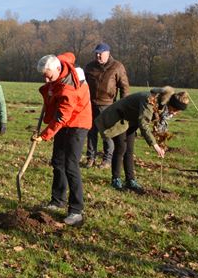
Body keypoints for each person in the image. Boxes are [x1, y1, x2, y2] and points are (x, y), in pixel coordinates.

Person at [33, 53, 92, 227]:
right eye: (43, 75)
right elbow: (70, 55)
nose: (45, 78)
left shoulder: (69, 90)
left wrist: (44, 135)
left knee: (70, 165)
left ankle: (76, 210)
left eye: (48, 75)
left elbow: (61, 118)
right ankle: (57, 200)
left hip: (78, 123)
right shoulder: (61, 63)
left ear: (58, 70)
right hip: (65, 122)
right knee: (57, 161)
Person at [95, 87, 189, 192]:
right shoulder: (149, 100)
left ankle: (130, 180)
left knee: (129, 150)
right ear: (171, 104)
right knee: (121, 148)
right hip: (118, 119)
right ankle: (116, 179)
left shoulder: (162, 104)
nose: (175, 113)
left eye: (178, 112)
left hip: (130, 121)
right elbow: (144, 124)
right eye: (175, 110)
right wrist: (155, 145)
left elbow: (157, 122)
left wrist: (161, 140)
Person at [84, 43, 129, 167]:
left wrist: (123, 105)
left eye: (101, 53)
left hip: (108, 105)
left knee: (107, 134)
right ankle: (90, 158)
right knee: (91, 132)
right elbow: (83, 86)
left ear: (108, 53)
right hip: (90, 104)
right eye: (96, 53)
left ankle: (107, 160)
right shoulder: (89, 67)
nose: (98, 55)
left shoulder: (117, 67)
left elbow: (124, 87)